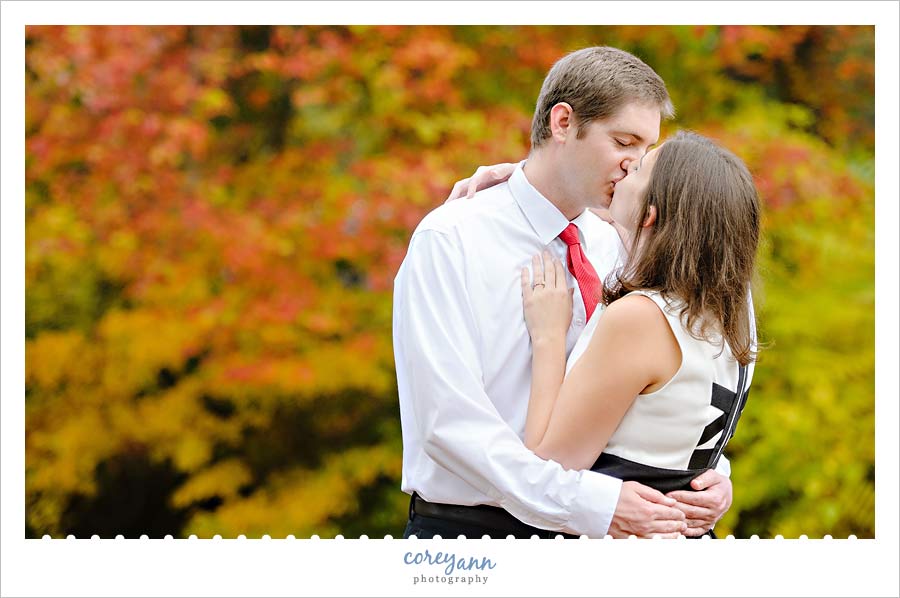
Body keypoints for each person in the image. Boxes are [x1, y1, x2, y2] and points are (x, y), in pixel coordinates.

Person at [394, 46, 735, 539]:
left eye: (645, 151)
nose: (634, 166)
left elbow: (662, 385)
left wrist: (710, 471)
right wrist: (584, 504)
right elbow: (447, 426)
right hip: (477, 536)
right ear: (562, 122)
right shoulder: (453, 239)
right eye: (624, 141)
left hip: (604, 532)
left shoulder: (621, 241)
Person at [520, 131, 758, 525]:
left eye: (641, 167)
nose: (629, 165)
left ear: (650, 214)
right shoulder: (728, 316)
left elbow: (548, 466)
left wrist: (548, 337)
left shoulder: (641, 318)